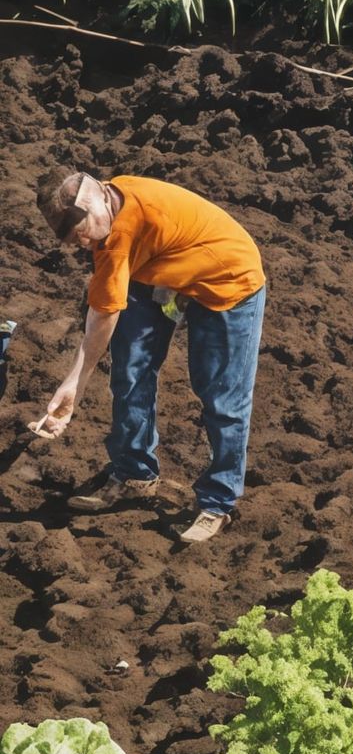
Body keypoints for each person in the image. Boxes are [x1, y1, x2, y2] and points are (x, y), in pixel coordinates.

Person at [31, 170, 266, 545]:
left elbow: (103, 316)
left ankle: (218, 502)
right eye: (76, 240)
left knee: (222, 396)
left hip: (228, 280)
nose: (85, 244)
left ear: (98, 201)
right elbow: (100, 309)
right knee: (130, 369)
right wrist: (73, 380)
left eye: (84, 233)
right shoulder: (109, 217)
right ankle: (135, 473)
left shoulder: (121, 233)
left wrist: (74, 384)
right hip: (161, 268)